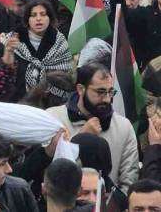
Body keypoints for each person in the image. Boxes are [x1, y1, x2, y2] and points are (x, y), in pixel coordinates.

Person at [47, 63, 139, 192]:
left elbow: (129, 183)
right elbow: (47, 171)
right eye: (100, 92)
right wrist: (79, 140)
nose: (107, 99)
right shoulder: (54, 118)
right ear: (81, 89)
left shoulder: (123, 127)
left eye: (110, 92)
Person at [9, 0, 71, 103]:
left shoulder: (60, 42)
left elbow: (64, 79)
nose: (38, 19)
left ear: (49, 18)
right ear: (27, 19)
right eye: (33, 15)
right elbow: (6, 77)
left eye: (43, 14)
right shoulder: (14, 41)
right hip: (19, 103)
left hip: (52, 103)